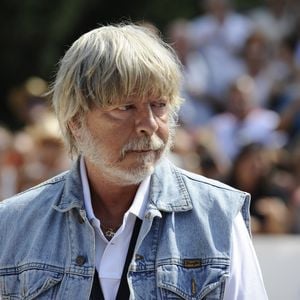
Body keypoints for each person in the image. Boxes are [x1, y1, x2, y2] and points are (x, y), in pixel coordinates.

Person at [0, 23, 268, 299]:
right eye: (125, 107)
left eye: (159, 105)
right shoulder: (13, 226)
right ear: (75, 122)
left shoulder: (217, 218)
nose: (148, 125)